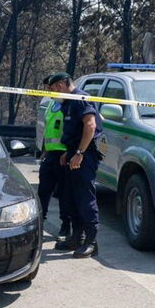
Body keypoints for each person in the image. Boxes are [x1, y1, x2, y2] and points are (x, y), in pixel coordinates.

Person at [55, 75, 104, 257]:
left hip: (85, 156)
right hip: (73, 153)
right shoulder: (68, 101)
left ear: (60, 85)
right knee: (72, 198)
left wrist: (79, 153)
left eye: (52, 89)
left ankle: (91, 242)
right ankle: (77, 238)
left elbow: (90, 126)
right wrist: (68, 152)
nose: (51, 94)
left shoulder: (80, 98)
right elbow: (74, 131)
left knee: (85, 198)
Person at [37, 73, 72, 244]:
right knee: (43, 191)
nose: (49, 92)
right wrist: (44, 150)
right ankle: (39, 223)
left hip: (64, 155)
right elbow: (48, 129)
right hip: (50, 155)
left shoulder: (69, 104)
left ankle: (65, 226)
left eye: (50, 88)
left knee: (64, 193)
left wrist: (70, 151)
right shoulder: (51, 104)